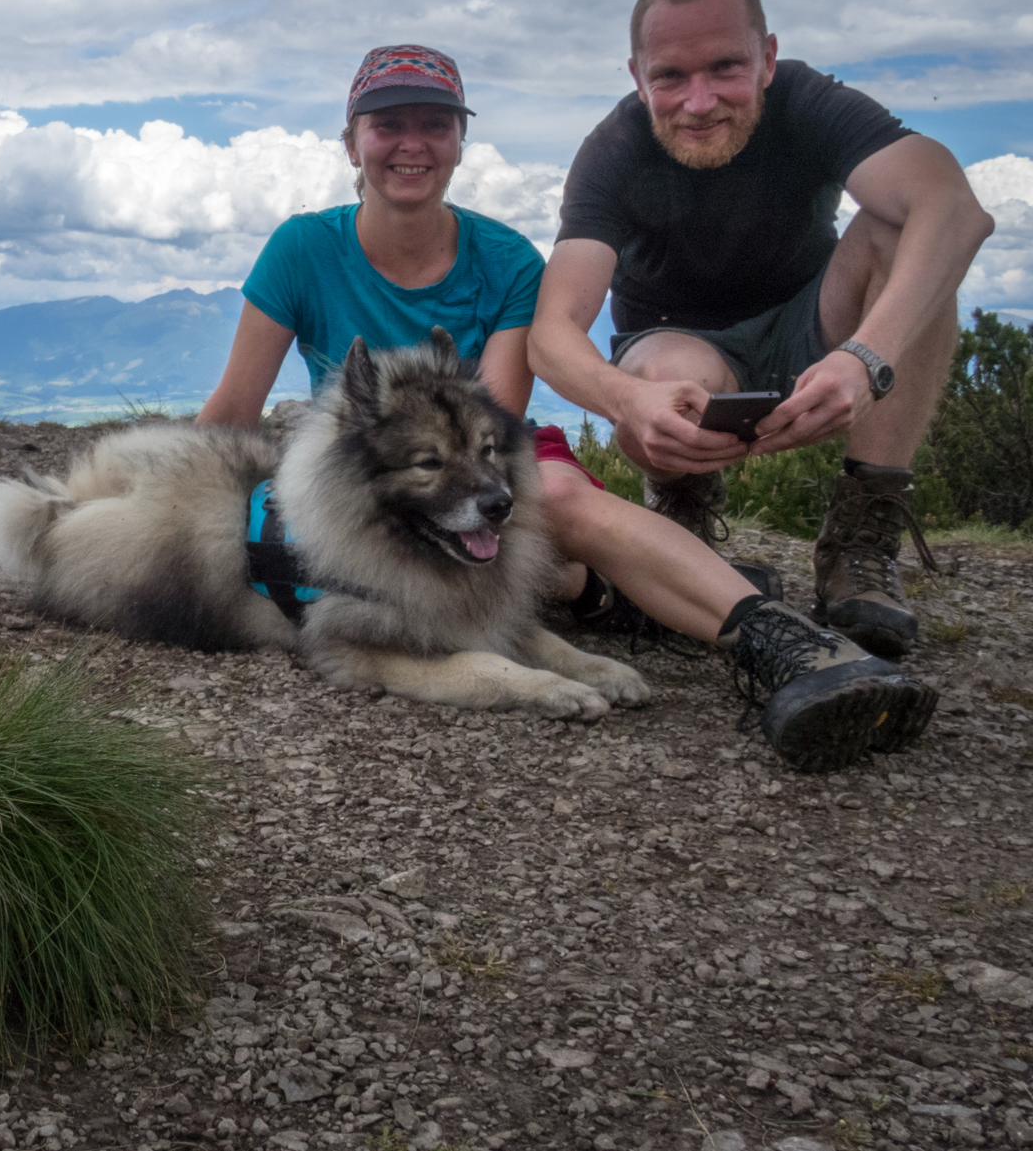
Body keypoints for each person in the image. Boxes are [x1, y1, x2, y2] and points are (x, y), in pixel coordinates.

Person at [198, 43, 936, 771]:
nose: (411, 144)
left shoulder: (509, 259)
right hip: (379, 475)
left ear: (460, 141)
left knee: (547, 497)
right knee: (529, 567)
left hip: (486, 454)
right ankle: (618, 594)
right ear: (352, 143)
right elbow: (232, 412)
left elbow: (496, 434)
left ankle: (787, 642)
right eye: (387, 124)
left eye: (435, 123)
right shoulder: (300, 248)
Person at [528, 0, 995, 660]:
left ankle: (861, 535)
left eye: (725, 68)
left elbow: (953, 208)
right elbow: (553, 331)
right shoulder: (613, 151)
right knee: (667, 369)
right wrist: (628, 401)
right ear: (637, 76)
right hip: (679, 348)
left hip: (813, 327)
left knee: (907, 234)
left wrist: (864, 360)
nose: (699, 101)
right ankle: (682, 496)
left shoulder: (810, 103)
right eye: (671, 77)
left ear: (768, 58)